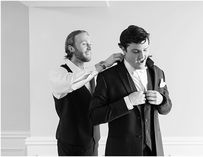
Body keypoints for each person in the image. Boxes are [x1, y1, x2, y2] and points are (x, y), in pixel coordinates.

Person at [89, 25, 172, 156]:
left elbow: (167, 108)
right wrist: (127, 102)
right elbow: (94, 116)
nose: (142, 56)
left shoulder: (158, 72)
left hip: (154, 151)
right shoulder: (107, 77)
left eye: (145, 50)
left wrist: (162, 100)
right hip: (122, 151)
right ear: (123, 49)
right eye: (136, 51)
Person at [49, 30, 123, 156]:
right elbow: (72, 83)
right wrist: (103, 65)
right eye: (84, 44)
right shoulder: (60, 73)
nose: (89, 47)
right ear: (71, 48)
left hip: (93, 142)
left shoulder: (91, 75)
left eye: (90, 44)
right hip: (71, 145)